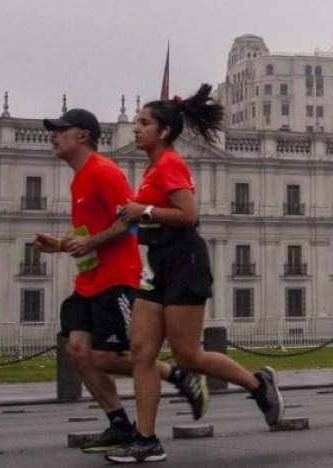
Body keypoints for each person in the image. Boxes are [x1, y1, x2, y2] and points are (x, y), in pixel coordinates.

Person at [108, 87, 285, 463]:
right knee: (141, 352)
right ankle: (146, 439)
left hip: (185, 260)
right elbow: (151, 216)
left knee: (188, 355)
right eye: (136, 122)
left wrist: (146, 211)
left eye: (144, 123)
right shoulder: (152, 167)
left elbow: (189, 215)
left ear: (165, 131)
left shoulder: (171, 163)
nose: (136, 130)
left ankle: (258, 384)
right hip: (157, 263)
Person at [33, 108, 207, 454]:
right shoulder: (79, 178)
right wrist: (61, 245)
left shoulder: (104, 171)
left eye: (60, 130)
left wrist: (91, 243)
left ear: (82, 136)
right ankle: (119, 424)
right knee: (79, 351)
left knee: (108, 356)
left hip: (116, 278)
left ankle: (178, 377)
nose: (52, 136)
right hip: (89, 279)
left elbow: (129, 221)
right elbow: (91, 232)